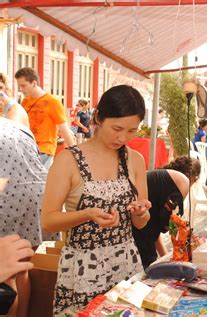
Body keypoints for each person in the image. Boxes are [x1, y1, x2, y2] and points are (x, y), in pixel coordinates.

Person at [41, 85, 151, 313]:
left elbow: (141, 223)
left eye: (132, 131)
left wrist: (140, 212)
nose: (122, 138)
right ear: (98, 117)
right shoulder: (68, 161)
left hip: (125, 267)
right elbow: (48, 221)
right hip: (82, 270)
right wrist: (87, 214)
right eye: (117, 128)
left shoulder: (135, 160)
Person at [0, 117, 47, 317]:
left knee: (7, 276)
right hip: (37, 194)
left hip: (7, 196)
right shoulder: (16, 126)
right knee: (21, 266)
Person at [133, 156, 201, 269]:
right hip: (139, 234)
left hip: (138, 230)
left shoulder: (162, 179)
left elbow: (155, 228)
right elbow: (170, 223)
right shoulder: (182, 181)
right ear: (193, 178)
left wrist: (166, 258)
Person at [15, 67, 75, 169]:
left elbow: (64, 130)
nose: (20, 89)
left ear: (34, 83)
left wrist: (76, 155)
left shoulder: (53, 102)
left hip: (44, 150)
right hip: (25, 148)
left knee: (38, 183)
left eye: (23, 85)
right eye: (19, 86)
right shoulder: (25, 101)